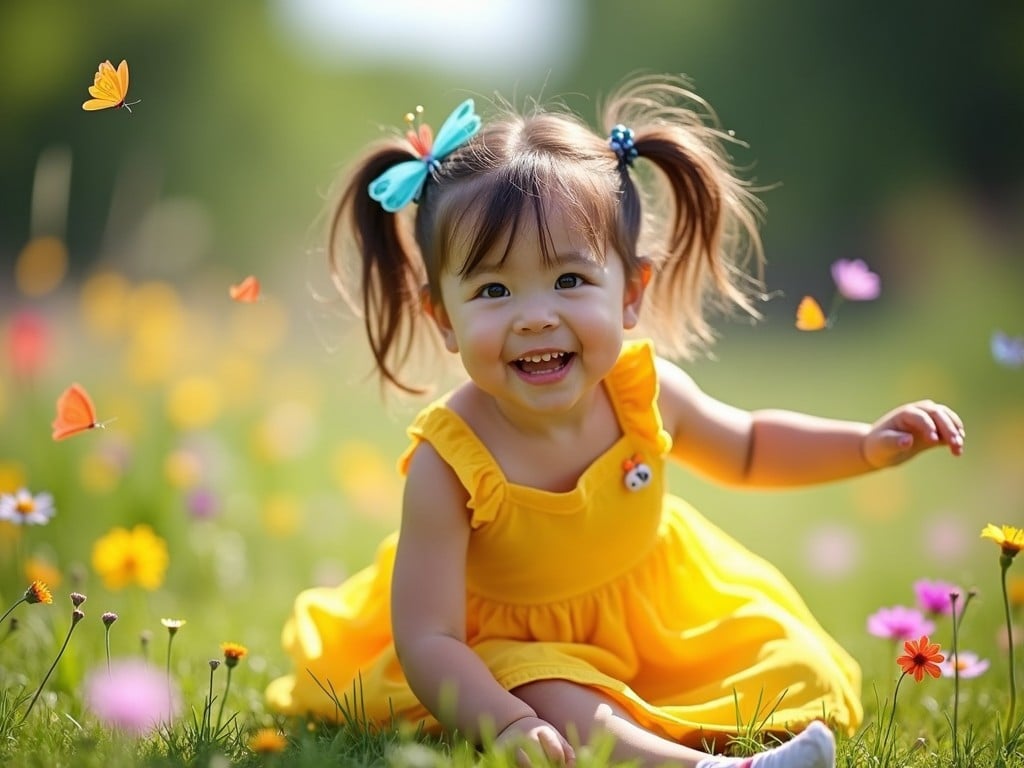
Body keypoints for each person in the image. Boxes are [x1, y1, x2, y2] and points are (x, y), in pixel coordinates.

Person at [266, 75, 965, 768]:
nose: (536, 314)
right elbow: (430, 639)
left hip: (653, 623)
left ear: (631, 292)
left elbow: (749, 448)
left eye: (570, 280)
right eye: (493, 290)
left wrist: (868, 446)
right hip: (501, 653)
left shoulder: (643, 393)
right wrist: (506, 722)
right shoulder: (448, 462)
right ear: (442, 318)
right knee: (552, 693)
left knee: (787, 660)